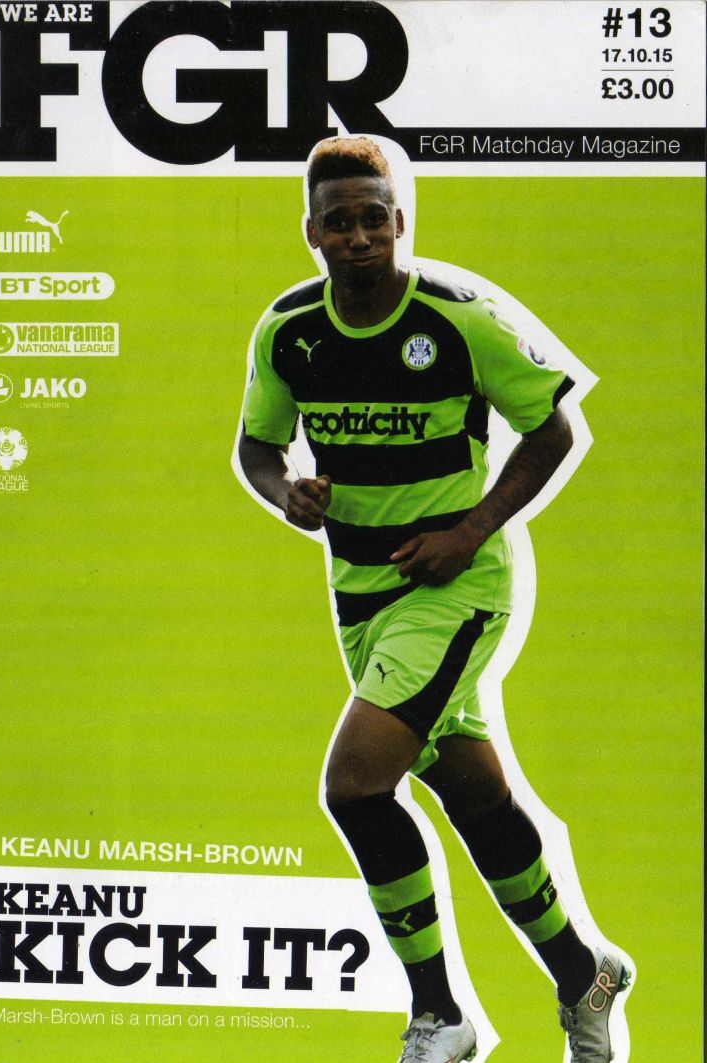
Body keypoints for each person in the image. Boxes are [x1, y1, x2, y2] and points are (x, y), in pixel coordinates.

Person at [236, 136, 631, 1063]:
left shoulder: (457, 318)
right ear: (312, 232)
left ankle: (439, 1015)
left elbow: (552, 429)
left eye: (374, 218)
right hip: (359, 596)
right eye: (340, 221)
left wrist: (471, 528)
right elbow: (257, 446)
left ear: (399, 222)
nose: (360, 236)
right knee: (474, 796)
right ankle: (584, 975)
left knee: (355, 785)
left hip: (453, 588)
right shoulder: (287, 330)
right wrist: (286, 490)